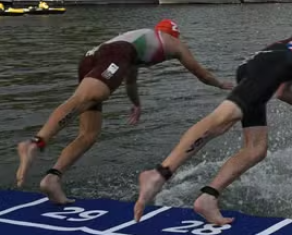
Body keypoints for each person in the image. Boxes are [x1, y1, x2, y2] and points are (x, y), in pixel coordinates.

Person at [133, 12, 292, 225]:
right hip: (268, 69)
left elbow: (281, 91)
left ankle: (208, 198)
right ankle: (158, 173)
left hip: (254, 66)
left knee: (256, 148)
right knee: (220, 120)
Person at [15, 20, 232, 205]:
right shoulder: (172, 42)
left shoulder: (138, 42)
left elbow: (130, 80)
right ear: (171, 34)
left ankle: (52, 178)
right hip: (113, 55)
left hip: (92, 57)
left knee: (89, 133)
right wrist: (221, 84)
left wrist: (136, 104)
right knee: (85, 98)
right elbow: (200, 73)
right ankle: (36, 143)